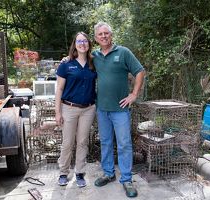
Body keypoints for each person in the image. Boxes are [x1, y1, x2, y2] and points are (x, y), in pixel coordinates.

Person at [92, 22, 145, 198]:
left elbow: (140, 71)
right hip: (102, 109)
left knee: (124, 144)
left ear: (111, 35)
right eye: (100, 34)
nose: (104, 36)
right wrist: (66, 59)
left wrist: (134, 94)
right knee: (106, 142)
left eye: (106, 33)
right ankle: (108, 173)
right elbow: (79, 61)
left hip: (120, 109)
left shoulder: (123, 52)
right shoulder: (95, 56)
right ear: (96, 38)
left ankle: (127, 179)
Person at [55, 32, 97, 188]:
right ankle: (63, 173)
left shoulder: (94, 63)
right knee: (67, 142)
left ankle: (80, 173)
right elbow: (59, 89)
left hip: (88, 109)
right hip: (69, 108)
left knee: (82, 142)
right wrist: (58, 112)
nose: (82, 44)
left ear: (88, 44)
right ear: (75, 44)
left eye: (85, 41)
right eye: (79, 41)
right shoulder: (66, 64)